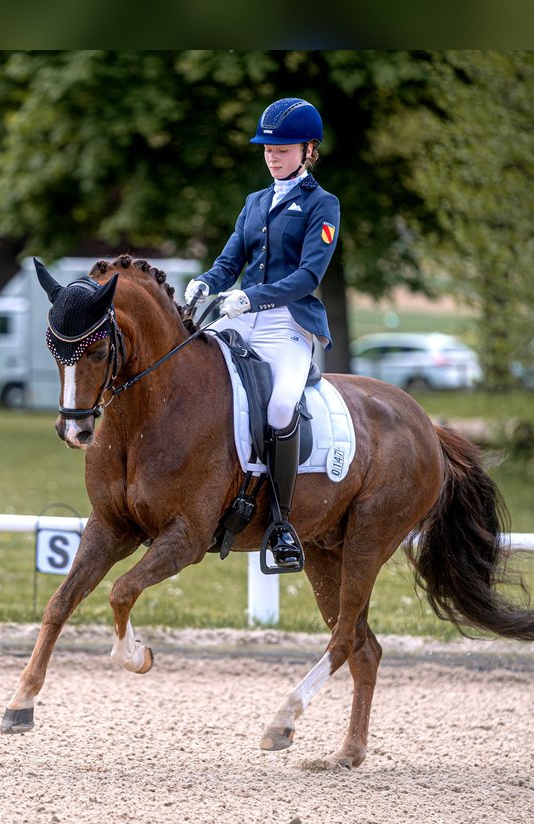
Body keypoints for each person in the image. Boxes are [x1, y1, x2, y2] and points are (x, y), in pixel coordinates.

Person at [185, 97, 340, 570]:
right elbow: (230, 261)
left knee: (278, 406)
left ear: (308, 150)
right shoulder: (254, 202)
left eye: (283, 148)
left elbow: (308, 277)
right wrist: (206, 282)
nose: (273, 156)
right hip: (238, 316)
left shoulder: (322, 204)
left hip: (287, 324)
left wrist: (254, 298)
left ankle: (281, 522)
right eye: (267, 149)